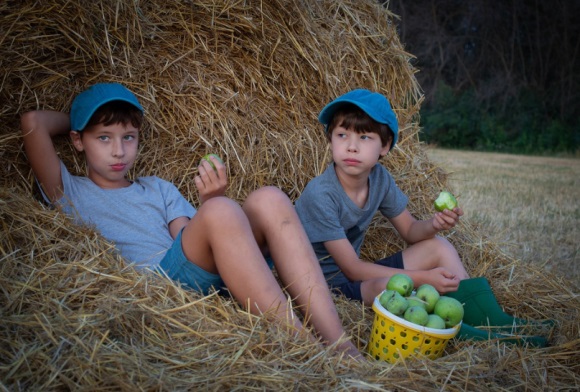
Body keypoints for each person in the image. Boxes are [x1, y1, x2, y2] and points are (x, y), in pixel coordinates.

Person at [20, 82, 362, 359]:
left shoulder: (157, 188)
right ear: (79, 141)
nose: (118, 151)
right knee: (222, 211)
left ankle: (342, 348)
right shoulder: (69, 192)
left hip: (190, 272)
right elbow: (32, 123)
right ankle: (306, 350)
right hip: (152, 287)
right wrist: (79, 119)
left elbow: (189, 238)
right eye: (103, 137)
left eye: (128, 137)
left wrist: (212, 204)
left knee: (269, 198)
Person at [294, 89, 553, 346]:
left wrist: (434, 225)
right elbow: (353, 269)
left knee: (437, 246)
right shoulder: (322, 194)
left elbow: (409, 231)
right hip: (323, 288)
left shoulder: (380, 179)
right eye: (342, 135)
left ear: (384, 146)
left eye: (364, 137)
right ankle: (464, 333)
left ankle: (491, 319)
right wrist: (424, 278)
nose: (351, 146)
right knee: (386, 287)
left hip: (351, 276)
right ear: (330, 140)